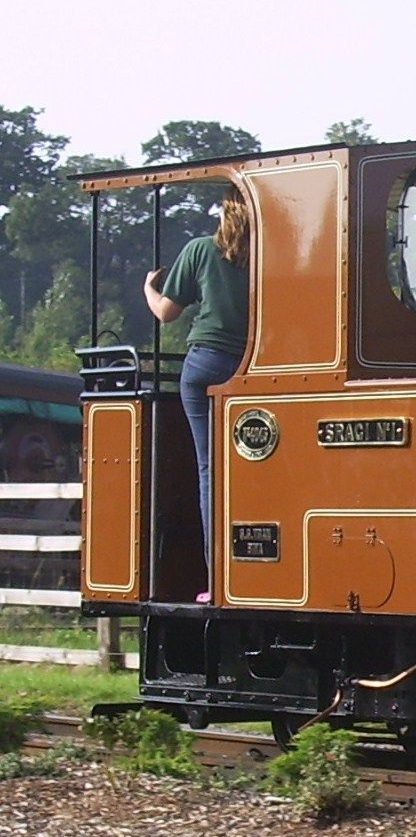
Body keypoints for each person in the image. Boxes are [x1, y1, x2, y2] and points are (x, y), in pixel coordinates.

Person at [144, 187, 250, 574]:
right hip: (251, 368)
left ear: (224, 214)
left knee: (210, 468)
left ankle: (215, 573)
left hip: (205, 363)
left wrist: (148, 289)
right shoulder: (266, 255)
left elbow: (166, 314)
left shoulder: (200, 250)